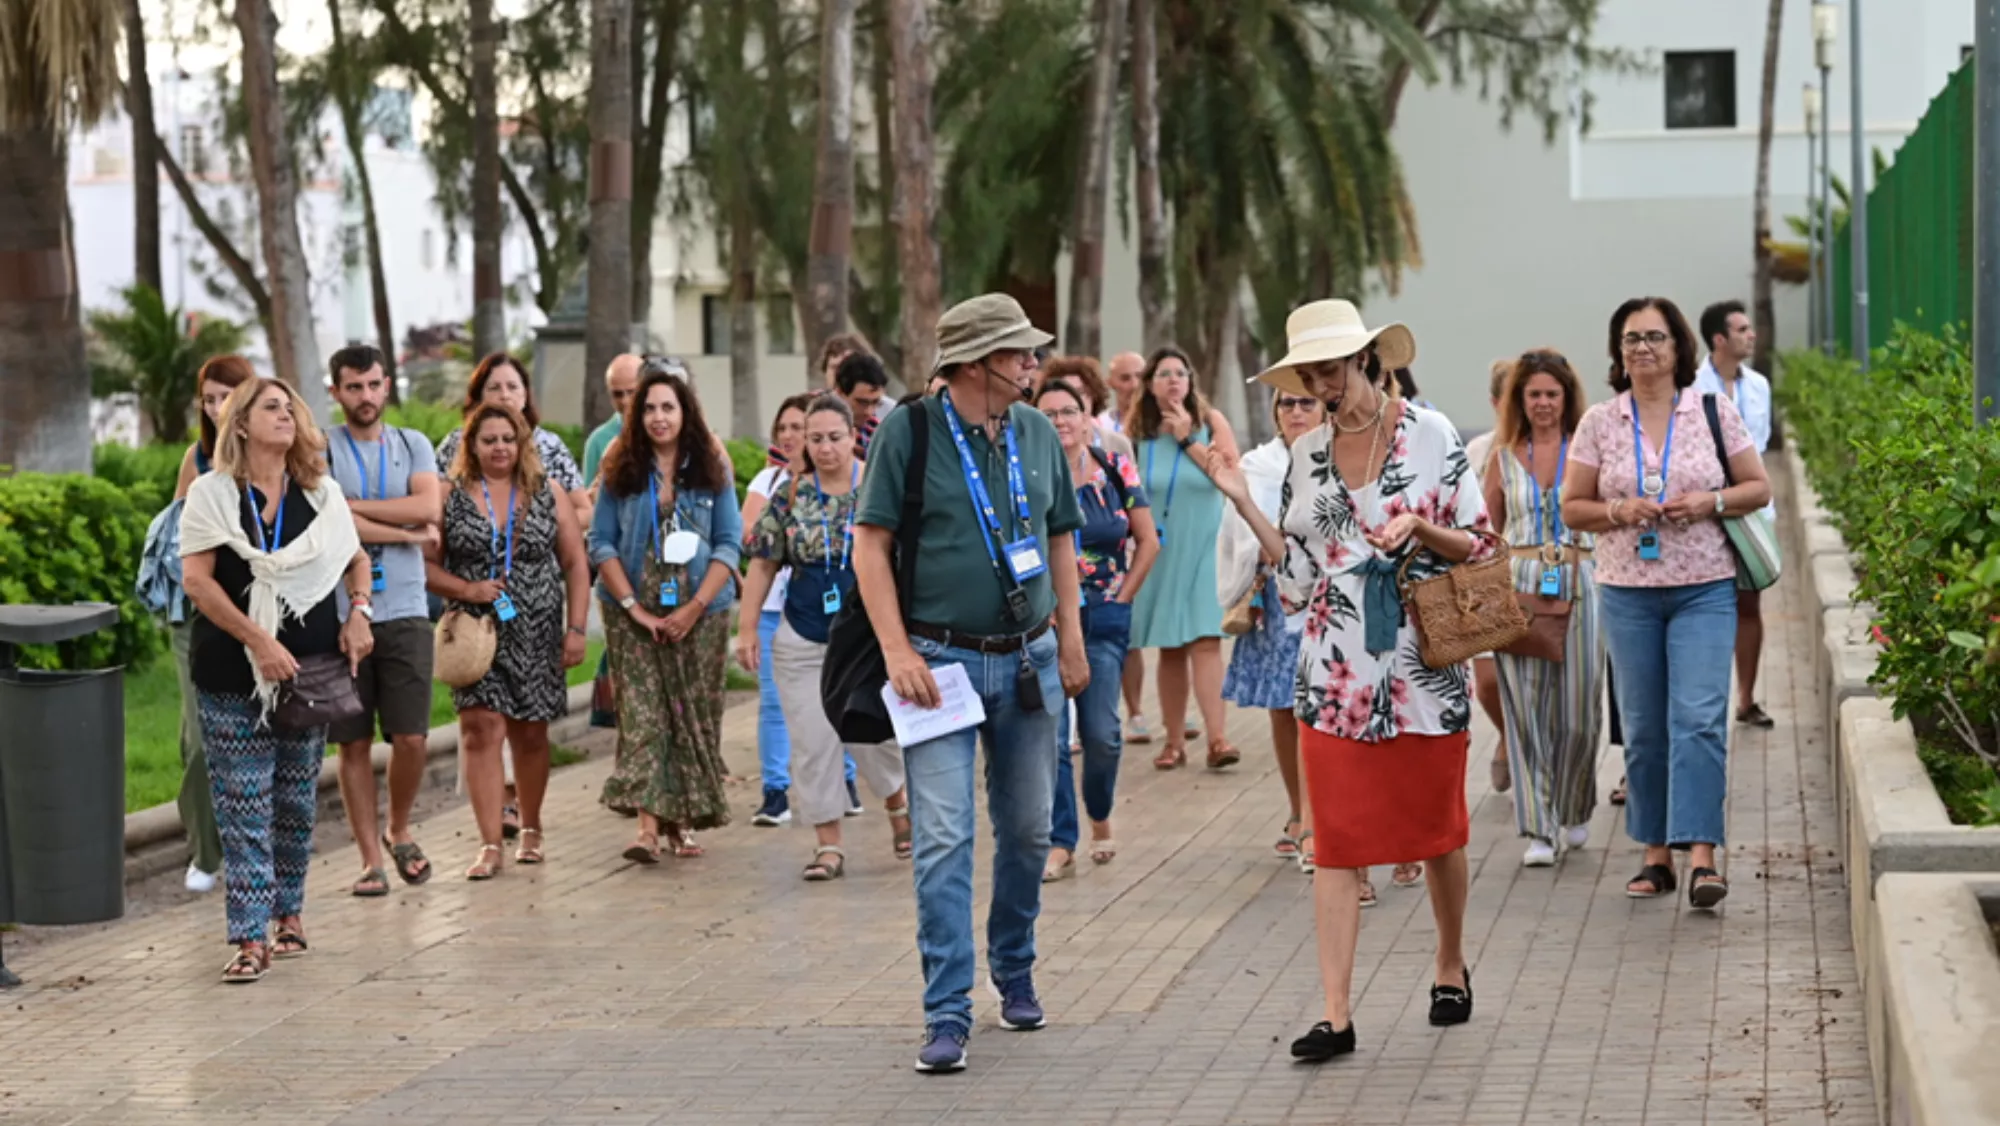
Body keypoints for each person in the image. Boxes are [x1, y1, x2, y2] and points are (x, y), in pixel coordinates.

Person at [1210, 299, 1486, 1062]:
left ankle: (1450, 961)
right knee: (1333, 843)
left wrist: (1422, 531)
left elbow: (1480, 539)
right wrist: (1241, 500)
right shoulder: (1307, 456)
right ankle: (1336, 1014)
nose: (1321, 385)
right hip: (1332, 672)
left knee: (1438, 834)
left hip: (1420, 670)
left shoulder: (1430, 435)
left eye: (1330, 367)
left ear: (1367, 358)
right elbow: (1297, 578)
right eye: (1308, 373)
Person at [852, 293, 1088, 1073]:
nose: (1033, 364)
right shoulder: (908, 430)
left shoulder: (1033, 433)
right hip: (936, 668)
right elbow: (870, 544)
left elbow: (1060, 541)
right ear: (978, 362)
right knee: (945, 836)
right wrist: (896, 651)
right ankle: (946, 1009)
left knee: (1028, 830)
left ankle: (1012, 964)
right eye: (1019, 353)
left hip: (1029, 660)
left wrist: (1072, 643)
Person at [1560, 296, 1771, 910]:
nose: (1642, 349)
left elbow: (1757, 486)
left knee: (1700, 719)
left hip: (1704, 586)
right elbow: (1572, 506)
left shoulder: (1712, 410)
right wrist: (1618, 510)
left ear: (1680, 348)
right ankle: (1655, 854)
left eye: (1654, 337)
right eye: (1630, 339)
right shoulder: (1600, 421)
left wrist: (1713, 502)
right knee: (1647, 729)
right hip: (1627, 593)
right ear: (1617, 353)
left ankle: (1702, 854)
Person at [179, 376, 374, 982]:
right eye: (271, 408)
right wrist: (258, 639)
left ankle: (289, 915)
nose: (286, 417)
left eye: (290, 409)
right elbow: (197, 581)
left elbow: (355, 558)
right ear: (241, 423)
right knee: (242, 807)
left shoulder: (319, 494)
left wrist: (360, 613)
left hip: (309, 673)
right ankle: (248, 937)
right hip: (229, 674)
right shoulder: (212, 494)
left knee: (292, 803)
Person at [737, 395, 912, 879]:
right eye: (815, 439)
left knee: (874, 734)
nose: (825, 448)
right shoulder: (791, 494)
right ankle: (828, 844)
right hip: (804, 632)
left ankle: (898, 804)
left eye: (835, 437)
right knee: (813, 742)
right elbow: (764, 561)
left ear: (853, 436)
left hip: (866, 638)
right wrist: (747, 627)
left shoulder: (877, 487)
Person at [428, 402, 592, 879]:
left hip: (537, 628)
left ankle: (533, 828)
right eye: (489, 440)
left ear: (522, 443)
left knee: (530, 732)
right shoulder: (450, 496)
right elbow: (425, 564)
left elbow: (576, 563)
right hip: (475, 632)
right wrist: (465, 589)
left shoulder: (548, 492)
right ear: (471, 447)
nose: (499, 448)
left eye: (507, 439)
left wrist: (576, 628)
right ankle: (488, 841)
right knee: (478, 729)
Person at [590, 368, 741, 861]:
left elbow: (729, 544)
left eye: (668, 408)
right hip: (631, 612)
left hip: (702, 612)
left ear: (685, 413)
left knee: (690, 718)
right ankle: (647, 830)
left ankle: (680, 822)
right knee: (645, 716)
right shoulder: (621, 465)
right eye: (649, 408)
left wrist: (695, 609)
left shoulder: (711, 466)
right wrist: (635, 609)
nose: (658, 417)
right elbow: (602, 542)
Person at [324, 345, 443, 895]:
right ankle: (370, 859)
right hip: (341, 612)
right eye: (354, 387)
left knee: (412, 736)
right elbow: (330, 520)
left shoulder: (412, 444)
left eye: (373, 385)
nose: (365, 397)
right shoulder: (322, 447)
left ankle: (399, 827)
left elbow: (428, 509)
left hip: (407, 609)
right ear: (336, 392)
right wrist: (405, 535)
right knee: (351, 742)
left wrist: (358, 512)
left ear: (387, 385)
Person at [1481, 349, 1603, 868]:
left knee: (1578, 712)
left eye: (1552, 393)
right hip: (1519, 580)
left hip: (1580, 579)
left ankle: (1573, 805)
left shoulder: (1588, 450)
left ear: (1567, 397)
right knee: (1525, 709)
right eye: (1534, 394)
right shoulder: (1502, 456)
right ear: (1519, 401)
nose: (1544, 403)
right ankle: (1538, 826)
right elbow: (1486, 529)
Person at [1033, 379, 1158, 881]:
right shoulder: (1024, 476)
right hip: (1043, 622)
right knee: (1052, 738)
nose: (1060, 422)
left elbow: (1147, 541)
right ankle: (1061, 840)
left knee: (1102, 735)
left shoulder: (1114, 468)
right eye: (1049, 414)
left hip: (1103, 617)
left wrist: (1122, 596)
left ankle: (1100, 814)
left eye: (1069, 412)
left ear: (1088, 419)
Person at [1221, 387, 1325, 875]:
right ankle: (1297, 809)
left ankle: (1314, 819)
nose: (1297, 411)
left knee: (1315, 711)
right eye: (1287, 403)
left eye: (1307, 402)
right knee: (1285, 709)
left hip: (1328, 595)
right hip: (1275, 599)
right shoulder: (1259, 464)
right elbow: (1241, 531)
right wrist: (1262, 545)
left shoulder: (1336, 453)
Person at [1124, 347, 1240, 770]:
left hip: (1206, 548)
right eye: (1164, 374)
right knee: (1171, 647)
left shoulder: (1211, 423)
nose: (1174, 380)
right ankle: (1174, 742)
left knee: (1206, 642)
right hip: (1160, 550)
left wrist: (1188, 438)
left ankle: (1219, 739)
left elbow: (1229, 476)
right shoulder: (1135, 432)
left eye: (1181, 373)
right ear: (1149, 384)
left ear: (1191, 382)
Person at [169, 354, 254, 893]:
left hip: (262, 613)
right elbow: (177, 539)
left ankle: (252, 839)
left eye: (228, 395)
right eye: (209, 398)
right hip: (196, 613)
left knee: (248, 731)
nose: (218, 407)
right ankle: (206, 852)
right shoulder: (196, 459)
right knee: (202, 740)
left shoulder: (275, 454)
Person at [1694, 299, 1776, 730]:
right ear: (1718, 339)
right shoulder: (1690, 385)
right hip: (1703, 508)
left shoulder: (1760, 385)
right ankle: (1707, 701)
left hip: (1751, 510)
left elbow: (1759, 447)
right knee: (1704, 603)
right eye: (1742, 329)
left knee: (1749, 602)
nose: (1752, 334)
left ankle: (1746, 698)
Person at [740, 394, 812, 826]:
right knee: (772, 701)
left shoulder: (838, 481)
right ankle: (774, 790)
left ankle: (845, 778)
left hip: (820, 607)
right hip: (772, 607)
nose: (788, 436)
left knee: (829, 696)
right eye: (782, 428)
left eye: (797, 427)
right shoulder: (766, 482)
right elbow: (750, 534)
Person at [1462, 359, 1514, 796]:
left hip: (1537, 577)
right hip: (1484, 578)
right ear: (1496, 402)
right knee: (1488, 682)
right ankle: (1508, 735)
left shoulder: (1551, 449)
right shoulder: (1477, 451)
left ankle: (1533, 753)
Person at [1039, 356, 1135, 462]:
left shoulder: (1118, 444)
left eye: (1079, 392)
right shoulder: (1041, 444)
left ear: (1094, 394)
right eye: (1066, 392)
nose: (1073, 399)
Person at [582, 353, 643, 486]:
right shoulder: (597, 441)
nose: (625, 401)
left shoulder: (664, 431)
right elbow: (589, 501)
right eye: (617, 394)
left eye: (632, 392)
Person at [1101, 351, 1144, 435]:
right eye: (1125, 378)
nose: (1134, 385)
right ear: (1110, 383)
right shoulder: (1101, 425)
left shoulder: (1163, 424)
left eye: (1140, 376)